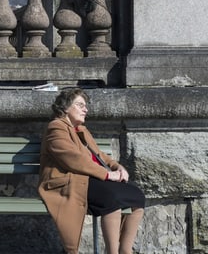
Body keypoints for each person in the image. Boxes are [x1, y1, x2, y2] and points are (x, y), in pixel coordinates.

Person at [38, 88, 145, 254]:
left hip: (88, 179)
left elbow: (99, 155)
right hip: (67, 182)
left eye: (85, 106)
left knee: (136, 196)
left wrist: (117, 167)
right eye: (80, 105)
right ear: (66, 108)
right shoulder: (56, 128)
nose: (85, 109)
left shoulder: (81, 130)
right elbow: (73, 159)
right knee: (111, 199)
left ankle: (125, 250)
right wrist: (108, 174)